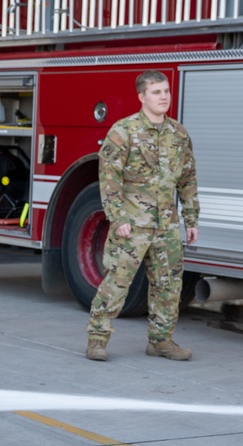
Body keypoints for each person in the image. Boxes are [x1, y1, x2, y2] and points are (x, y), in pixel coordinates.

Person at [85, 69, 199, 362]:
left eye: (166, 91)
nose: (164, 97)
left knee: (169, 285)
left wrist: (191, 218)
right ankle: (97, 339)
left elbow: (187, 179)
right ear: (141, 97)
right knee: (118, 282)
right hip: (132, 224)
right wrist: (118, 217)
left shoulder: (179, 134)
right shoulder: (124, 131)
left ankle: (161, 341)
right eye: (156, 92)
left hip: (167, 225)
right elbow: (109, 178)